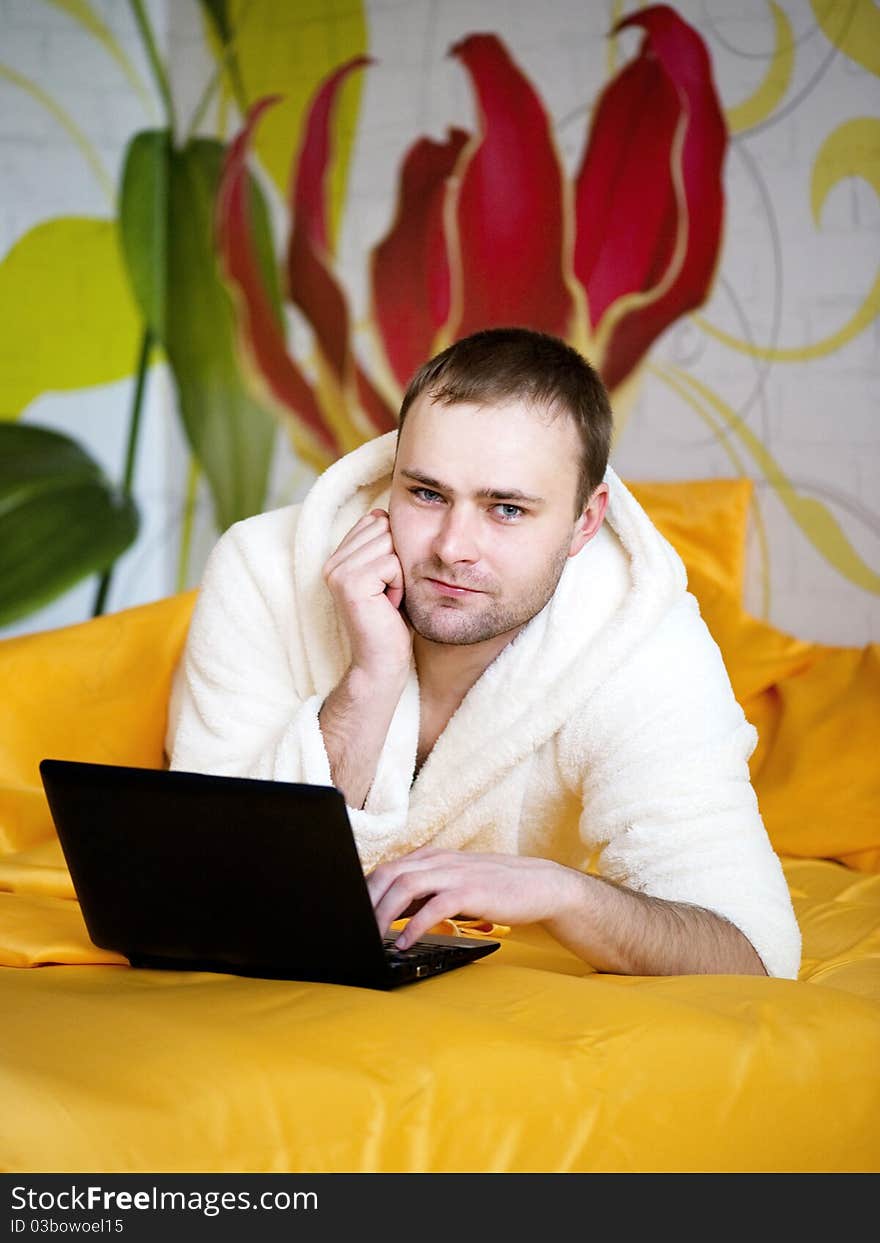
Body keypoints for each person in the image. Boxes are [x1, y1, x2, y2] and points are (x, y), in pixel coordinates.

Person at [166, 327, 801, 980]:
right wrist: (370, 677)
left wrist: (560, 890)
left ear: (586, 520)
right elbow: (205, 884)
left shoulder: (640, 641)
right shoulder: (263, 570)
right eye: (427, 493)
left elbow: (753, 954)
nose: (453, 546)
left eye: (506, 509)